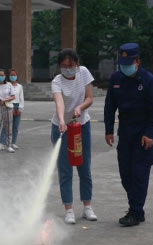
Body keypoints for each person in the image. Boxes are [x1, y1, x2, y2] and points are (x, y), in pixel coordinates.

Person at [104, 43, 153, 227]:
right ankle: (137, 209)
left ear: (137, 62)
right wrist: (108, 130)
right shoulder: (116, 78)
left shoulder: (149, 80)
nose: (125, 66)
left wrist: (149, 133)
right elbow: (109, 106)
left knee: (139, 174)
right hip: (125, 133)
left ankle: (135, 212)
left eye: (128, 62)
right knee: (125, 174)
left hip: (143, 135)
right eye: (122, 63)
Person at [50, 48, 97, 224]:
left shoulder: (84, 72)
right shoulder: (57, 81)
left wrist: (80, 107)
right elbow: (59, 102)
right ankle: (68, 208)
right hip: (61, 128)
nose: (67, 69)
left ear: (77, 65)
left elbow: (90, 98)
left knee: (84, 166)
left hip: (82, 125)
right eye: (63, 66)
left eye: (70, 66)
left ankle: (87, 207)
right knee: (65, 169)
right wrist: (62, 119)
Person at [0, 69, 24, 150]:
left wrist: (20, 109)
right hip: (9, 105)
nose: (13, 76)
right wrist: (10, 107)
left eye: (14, 75)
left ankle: (13, 142)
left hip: (17, 106)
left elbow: (21, 98)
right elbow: (5, 97)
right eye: (11, 75)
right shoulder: (6, 85)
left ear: (16, 76)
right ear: (8, 76)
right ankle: (2, 143)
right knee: (6, 126)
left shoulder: (20, 86)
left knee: (15, 127)